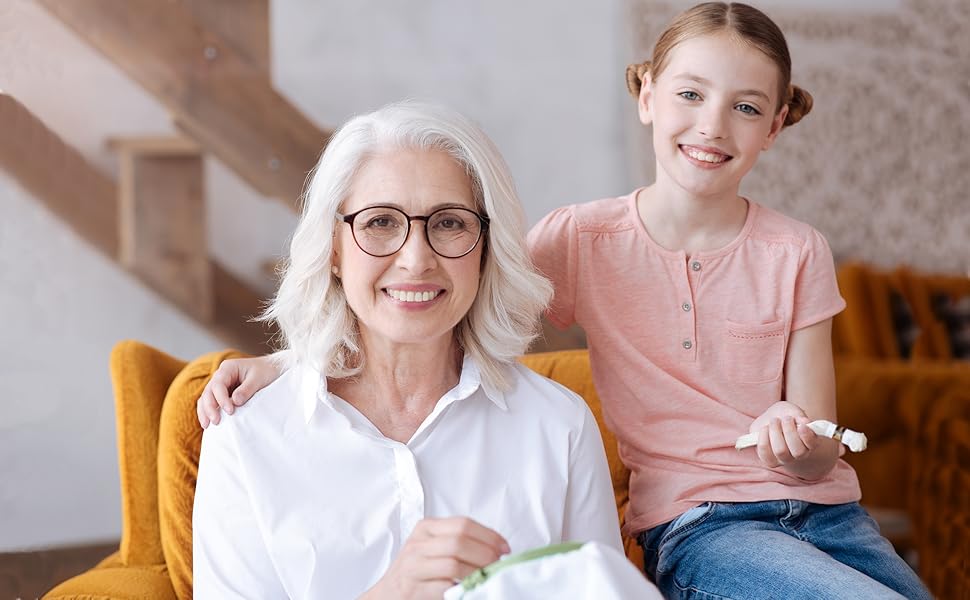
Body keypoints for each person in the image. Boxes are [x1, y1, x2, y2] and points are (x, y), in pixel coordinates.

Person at [198, 4, 932, 598]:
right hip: (704, 525)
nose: (711, 125)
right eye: (689, 94)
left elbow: (818, 442)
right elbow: (442, 301)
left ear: (774, 126)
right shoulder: (583, 239)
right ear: (646, 95)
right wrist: (295, 362)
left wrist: (799, 437)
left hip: (831, 513)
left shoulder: (796, 250)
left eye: (745, 107)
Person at [192, 101, 641, 599]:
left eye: (450, 223)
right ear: (334, 248)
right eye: (380, 222)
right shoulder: (247, 432)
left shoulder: (559, 427)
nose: (416, 259)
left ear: (487, 250)